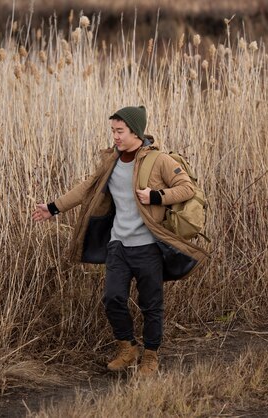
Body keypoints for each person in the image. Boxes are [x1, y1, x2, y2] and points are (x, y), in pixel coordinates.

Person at [31, 106, 207, 376]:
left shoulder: (158, 160)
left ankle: (150, 355)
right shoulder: (111, 160)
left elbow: (187, 188)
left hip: (147, 246)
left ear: (135, 131)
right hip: (118, 245)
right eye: (112, 131)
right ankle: (127, 348)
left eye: (119, 131)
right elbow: (87, 188)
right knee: (112, 298)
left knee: (151, 304)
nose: (115, 136)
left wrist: (157, 196)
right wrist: (53, 207)